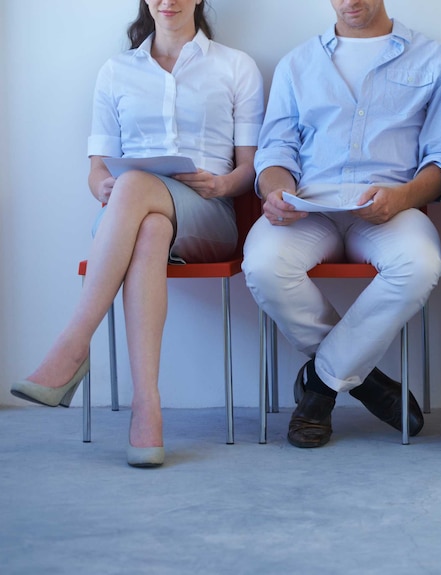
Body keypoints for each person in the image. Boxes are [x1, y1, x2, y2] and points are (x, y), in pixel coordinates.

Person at [11, 0, 265, 467]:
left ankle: (72, 347)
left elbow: (251, 169)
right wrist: (105, 185)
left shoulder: (236, 67)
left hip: (208, 213)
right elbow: (96, 172)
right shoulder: (115, 71)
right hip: (131, 214)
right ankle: (147, 407)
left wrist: (221, 183)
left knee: (134, 191)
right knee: (147, 224)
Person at [242, 0, 441, 449]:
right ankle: (364, 381)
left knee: (418, 263)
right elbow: (275, 150)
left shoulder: (435, 59)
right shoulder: (297, 63)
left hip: (390, 209)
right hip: (309, 208)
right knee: (263, 263)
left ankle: (319, 388)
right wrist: (275, 191)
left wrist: (403, 196)